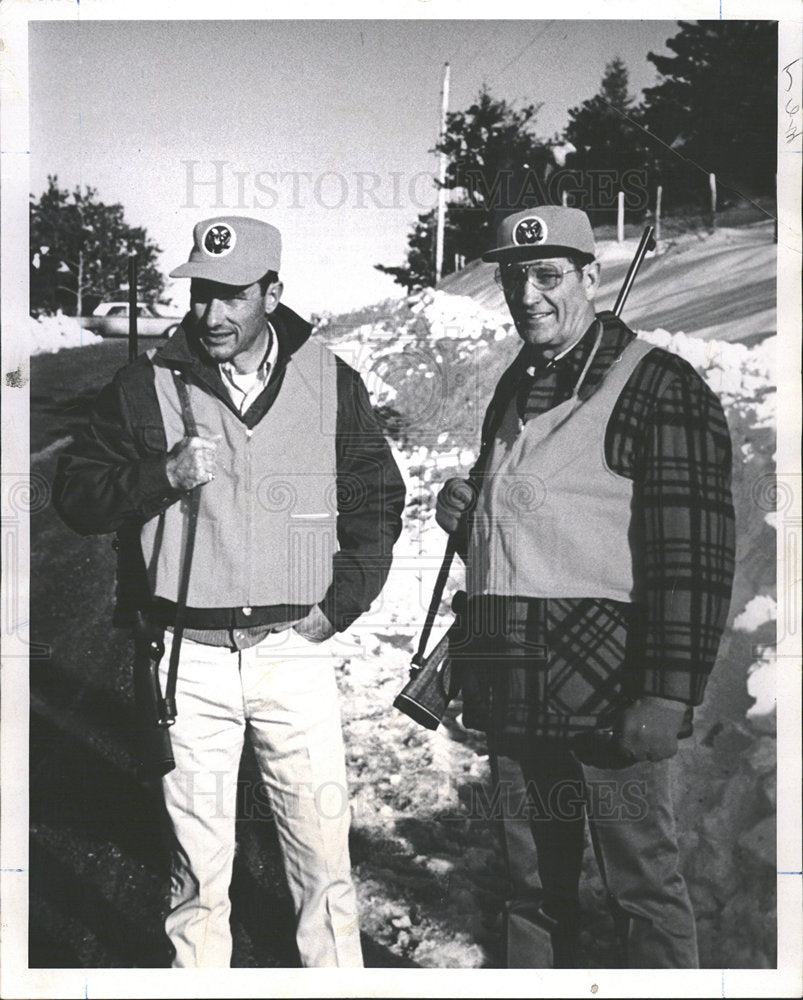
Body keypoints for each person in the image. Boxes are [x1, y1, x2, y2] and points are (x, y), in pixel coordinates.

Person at [53, 215, 406, 968]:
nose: (212, 314)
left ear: (271, 293)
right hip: (189, 658)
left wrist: (338, 605)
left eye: (232, 297)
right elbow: (77, 498)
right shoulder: (141, 385)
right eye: (201, 294)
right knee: (197, 871)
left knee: (322, 862)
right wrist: (162, 475)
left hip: (292, 650)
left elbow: (376, 494)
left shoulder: (329, 378)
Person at [435, 206, 735, 968]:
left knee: (642, 890)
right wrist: (467, 513)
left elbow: (691, 555)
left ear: (587, 276)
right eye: (513, 277)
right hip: (513, 684)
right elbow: (532, 519)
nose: (527, 294)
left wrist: (667, 693)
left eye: (547, 275)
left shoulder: (661, 386)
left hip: (609, 695)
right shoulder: (517, 384)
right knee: (532, 889)